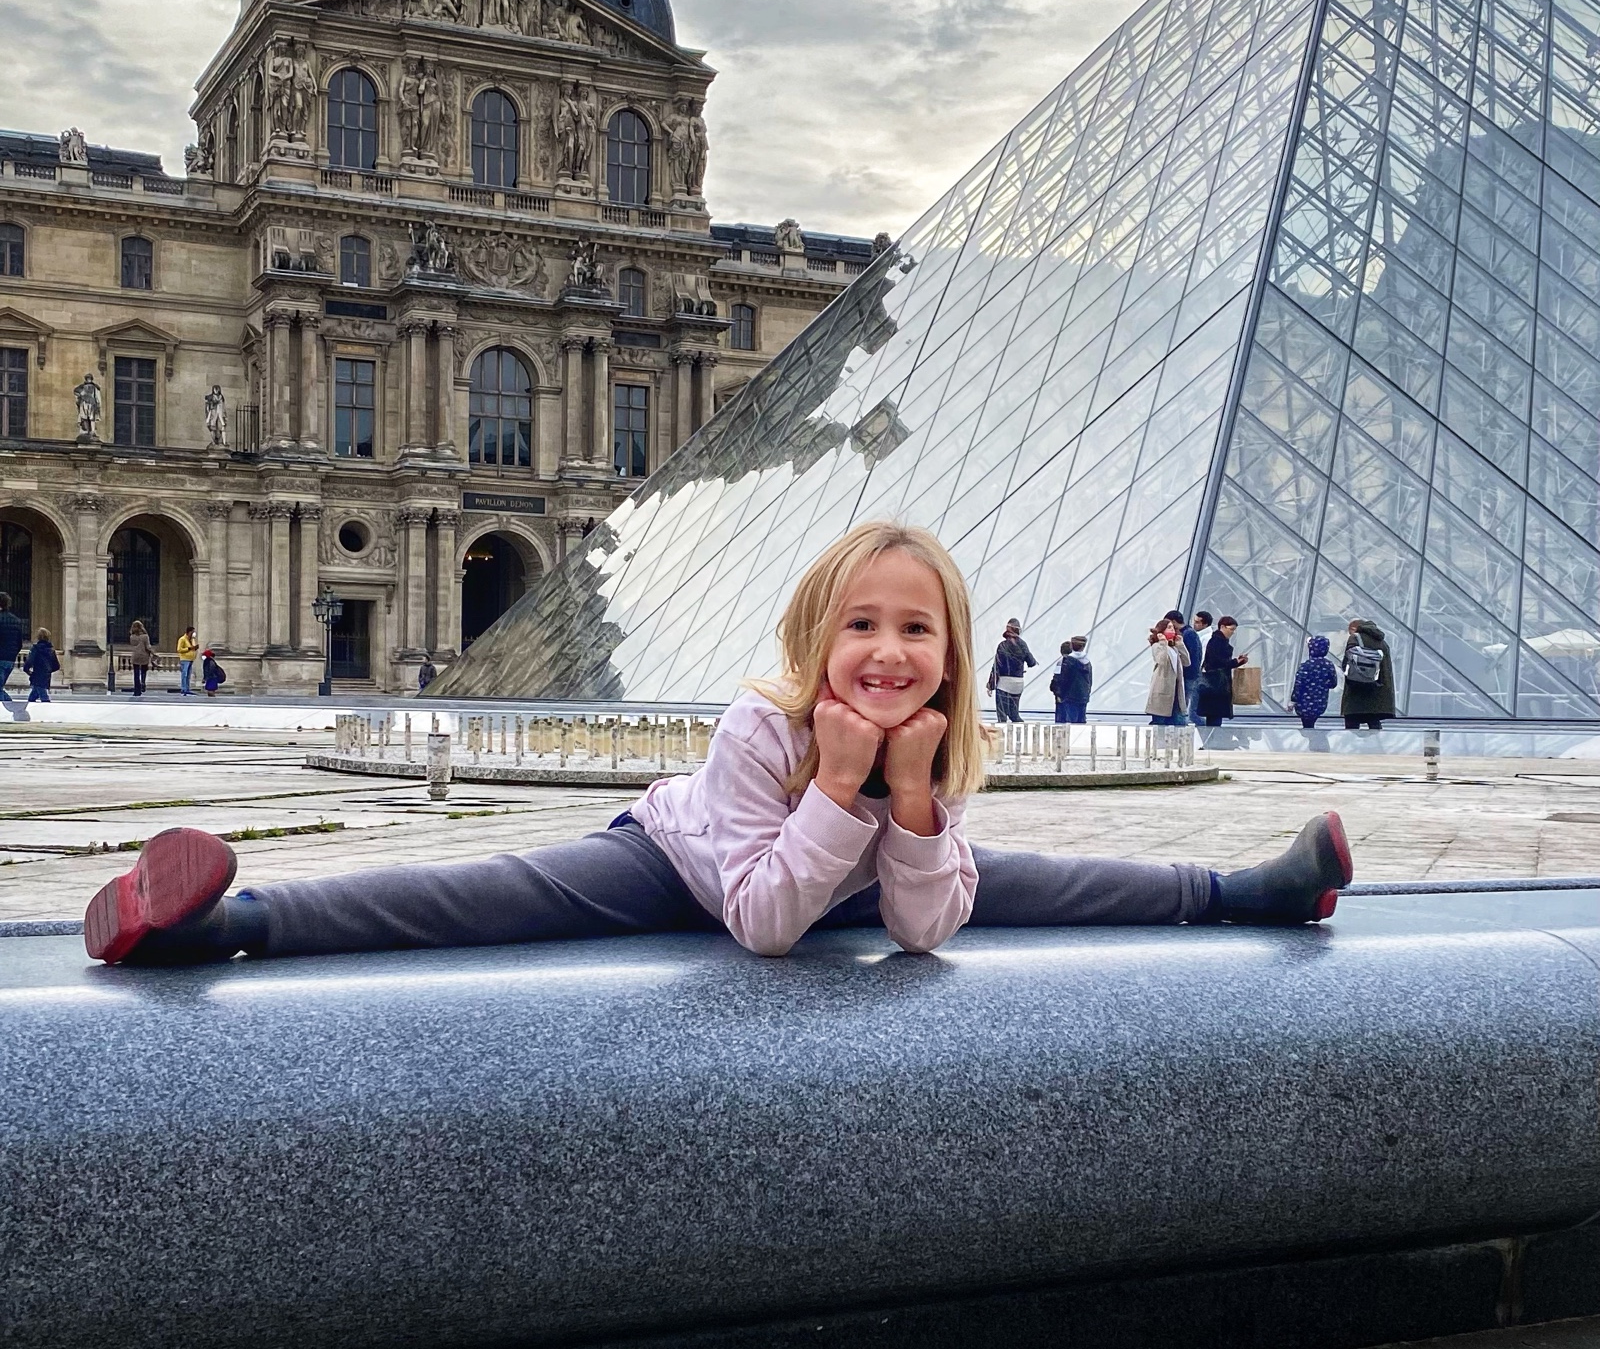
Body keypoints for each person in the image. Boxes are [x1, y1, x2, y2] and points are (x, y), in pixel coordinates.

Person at [80, 521, 1354, 969]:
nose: (887, 650)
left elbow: (923, 932)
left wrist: (913, 805)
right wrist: (843, 783)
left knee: (1061, 882)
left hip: (847, 874)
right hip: (681, 861)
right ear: (815, 637)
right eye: (860, 623)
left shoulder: (934, 738)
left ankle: (1251, 890)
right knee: (479, 893)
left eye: (916, 628)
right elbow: (758, 920)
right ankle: (214, 922)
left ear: (953, 653)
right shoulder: (761, 726)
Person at [1341, 618, 1395, 732]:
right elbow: (1386, 671)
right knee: (1374, 724)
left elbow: (1346, 663)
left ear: (1354, 628)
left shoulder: (1355, 638)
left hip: (1356, 689)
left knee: (1351, 726)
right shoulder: (1382, 642)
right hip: (1376, 689)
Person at [1196, 616, 1249, 726]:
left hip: (1217, 683)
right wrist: (1235, 662)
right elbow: (1217, 662)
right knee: (1215, 716)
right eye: (1231, 629)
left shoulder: (1218, 641)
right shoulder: (1217, 642)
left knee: (1214, 715)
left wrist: (1237, 662)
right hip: (1216, 684)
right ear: (1222, 627)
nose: (1232, 632)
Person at [987, 617, 1036, 723]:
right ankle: (1021, 730)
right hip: (1018, 683)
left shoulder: (1002, 646)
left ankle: (1002, 732)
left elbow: (996, 668)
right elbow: (1031, 662)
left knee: (1002, 716)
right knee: (1015, 715)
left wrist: (990, 685)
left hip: (1004, 683)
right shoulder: (1023, 644)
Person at [1291, 635, 1339, 731]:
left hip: (1304, 704)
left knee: (1307, 724)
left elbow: (1298, 685)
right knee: (1312, 722)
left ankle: (1310, 735)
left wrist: (1293, 700)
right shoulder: (1329, 665)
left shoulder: (1305, 666)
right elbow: (1333, 684)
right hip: (1320, 703)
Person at [1164, 610, 1202, 726]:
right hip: (1190, 675)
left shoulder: (1187, 635)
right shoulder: (1190, 633)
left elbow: (1187, 656)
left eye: (1169, 624)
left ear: (1174, 621)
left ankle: (1180, 727)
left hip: (1187, 676)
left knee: (1181, 705)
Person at [1145, 623, 1186, 726]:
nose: (1172, 630)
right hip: (1163, 688)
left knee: (1176, 723)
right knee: (1160, 722)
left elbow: (1187, 662)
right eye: (1169, 628)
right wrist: (1163, 643)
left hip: (1175, 690)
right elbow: (1161, 661)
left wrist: (1180, 645)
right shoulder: (1157, 646)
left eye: (1173, 628)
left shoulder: (1174, 648)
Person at [1050, 637, 1092, 725]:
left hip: (1069, 697)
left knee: (1068, 723)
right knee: (1081, 723)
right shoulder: (1087, 662)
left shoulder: (1066, 662)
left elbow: (1061, 679)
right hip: (1083, 697)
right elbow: (1089, 681)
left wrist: (1058, 693)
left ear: (1072, 646)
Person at [1187, 612, 1213, 722]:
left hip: (1199, 675)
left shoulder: (1206, 638)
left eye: (1197, 622)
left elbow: (1202, 657)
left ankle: (1207, 729)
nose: (1194, 624)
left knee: (1193, 711)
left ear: (1205, 624)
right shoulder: (1201, 636)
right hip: (1200, 675)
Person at [0, 591, 25, 703]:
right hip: (10, 659)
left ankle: (13, 707)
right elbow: (19, 643)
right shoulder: (16, 620)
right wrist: (13, 654)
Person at [24, 628, 60, 704]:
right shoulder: (51, 650)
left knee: (43, 696)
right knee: (34, 695)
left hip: (37, 674)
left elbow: (30, 661)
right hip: (46, 676)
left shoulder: (36, 648)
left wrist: (27, 670)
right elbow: (56, 666)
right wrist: (48, 670)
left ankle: (47, 708)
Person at [126, 619, 154, 698]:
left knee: (136, 673)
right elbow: (148, 647)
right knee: (144, 671)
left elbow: (132, 644)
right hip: (144, 655)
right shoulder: (145, 636)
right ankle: (143, 683)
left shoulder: (132, 637)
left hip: (135, 656)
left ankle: (136, 690)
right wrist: (153, 652)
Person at [176, 626, 199, 697]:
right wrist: (189, 648)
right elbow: (179, 649)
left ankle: (187, 688)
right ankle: (183, 689)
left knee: (188, 675)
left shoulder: (191, 640)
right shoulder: (182, 639)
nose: (193, 633)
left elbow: (193, 647)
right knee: (184, 674)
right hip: (184, 659)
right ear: (189, 632)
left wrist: (195, 647)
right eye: (193, 632)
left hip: (191, 659)